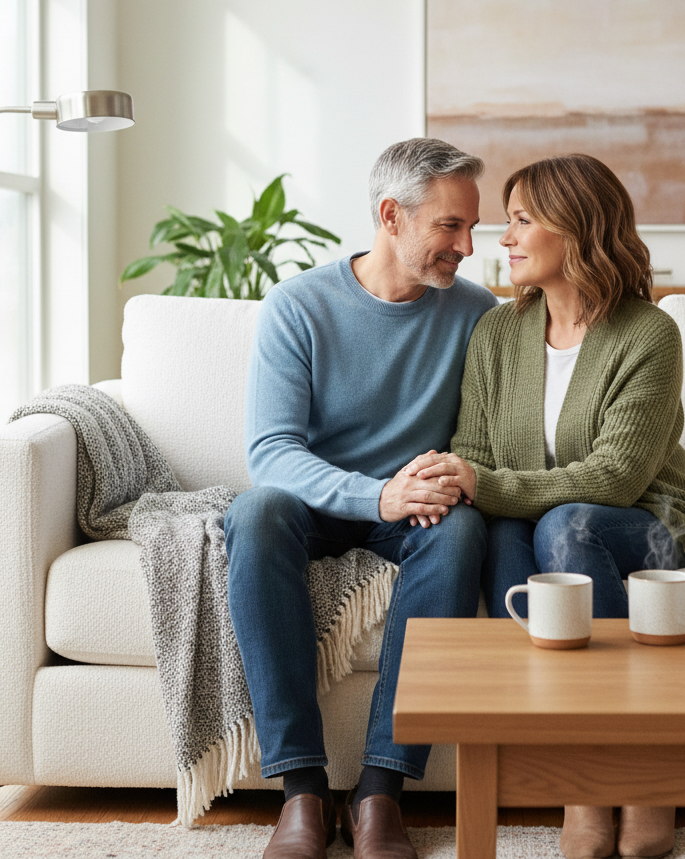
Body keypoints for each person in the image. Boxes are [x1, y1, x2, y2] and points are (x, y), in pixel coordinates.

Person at [402, 154, 685, 859]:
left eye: (521, 220)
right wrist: (464, 480)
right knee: (509, 545)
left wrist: (485, 483)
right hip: (538, 525)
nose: (505, 238)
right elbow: (475, 452)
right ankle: (582, 777)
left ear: (576, 229)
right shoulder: (495, 332)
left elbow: (614, 476)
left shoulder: (649, 333)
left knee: (568, 521)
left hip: (648, 526)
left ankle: (635, 775)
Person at [224, 137, 496, 859]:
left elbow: (488, 437)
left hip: (417, 513)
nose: (467, 245)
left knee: (464, 532)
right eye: (450, 226)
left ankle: (381, 789)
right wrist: (379, 495)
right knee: (255, 511)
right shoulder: (298, 307)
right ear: (391, 216)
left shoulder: (477, 314)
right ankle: (302, 791)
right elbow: (271, 454)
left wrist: (441, 480)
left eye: (472, 226)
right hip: (324, 505)